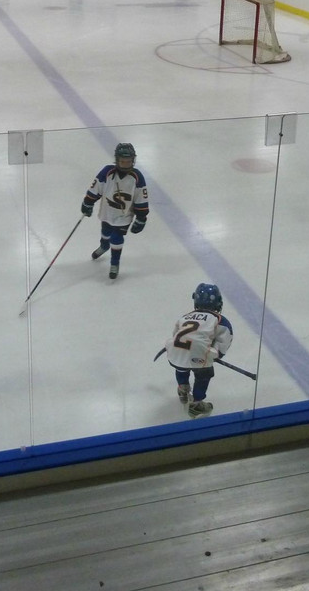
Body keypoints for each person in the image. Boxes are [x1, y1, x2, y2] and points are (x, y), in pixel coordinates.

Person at [80, 142, 149, 280]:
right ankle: (104, 246)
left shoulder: (137, 177)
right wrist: (88, 202)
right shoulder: (107, 172)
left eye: (128, 162)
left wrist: (141, 218)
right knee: (105, 233)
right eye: (122, 162)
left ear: (133, 161)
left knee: (116, 238)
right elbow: (96, 189)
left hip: (124, 215)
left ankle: (114, 263)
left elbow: (141, 198)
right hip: (107, 212)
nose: (125, 165)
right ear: (117, 160)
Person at [164, 283, 233, 418]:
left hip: (175, 351)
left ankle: (182, 389)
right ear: (218, 302)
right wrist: (216, 354)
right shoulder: (219, 319)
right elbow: (224, 340)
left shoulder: (185, 316)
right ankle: (196, 404)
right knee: (204, 373)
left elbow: (176, 334)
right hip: (199, 355)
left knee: (181, 366)